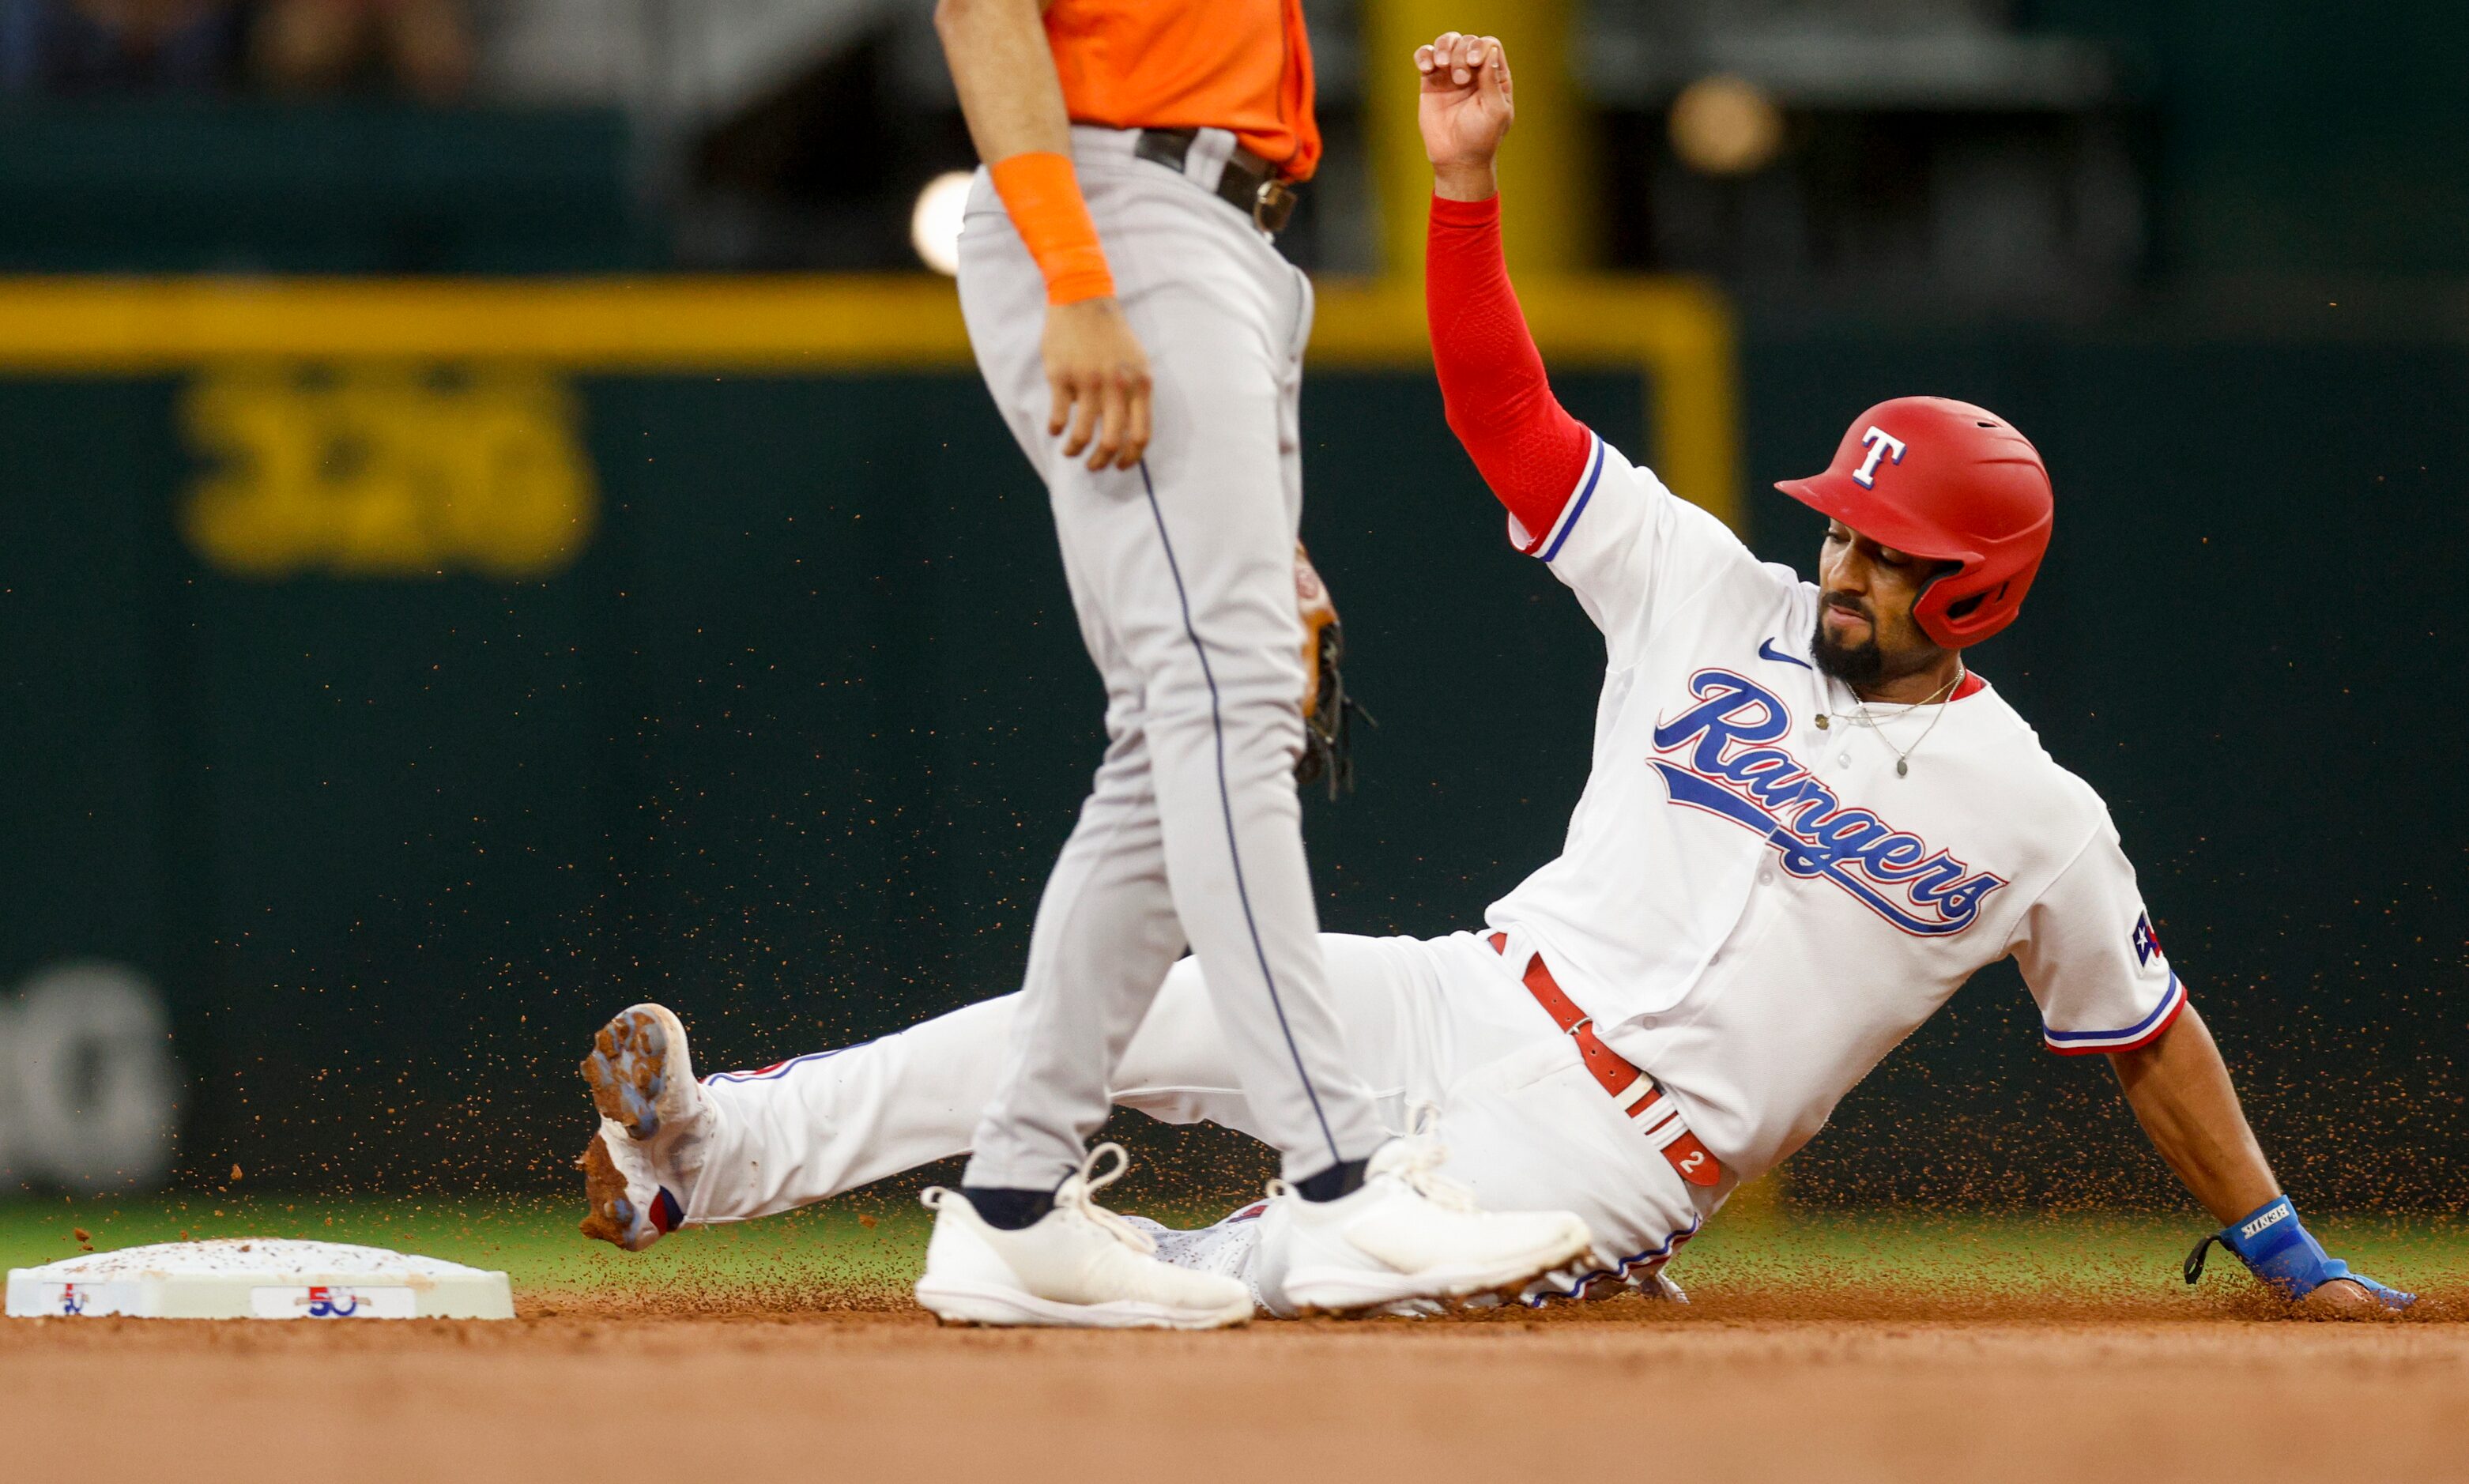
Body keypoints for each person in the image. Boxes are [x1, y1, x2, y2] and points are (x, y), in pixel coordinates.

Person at [571, 29, 2412, 1320]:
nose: (1842, 563)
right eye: (1842, 530)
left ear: (1978, 593)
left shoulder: (2037, 819)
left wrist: (2279, 1247)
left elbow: (2143, 1035)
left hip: (1618, 1166)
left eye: (1884, 554)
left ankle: (1114, 1286)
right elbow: (1502, 415)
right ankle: (707, 1148)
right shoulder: (1715, 590)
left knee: (1271, 1281)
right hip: (1465, 996)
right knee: (1125, 1012)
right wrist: (1462, 199)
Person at [577, 2, 1591, 1329]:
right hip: (1125, 209)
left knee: (1170, 746)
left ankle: (1013, 1207)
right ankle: (1342, 1187)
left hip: (1217, 232)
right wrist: (1076, 273)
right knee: (1224, 706)